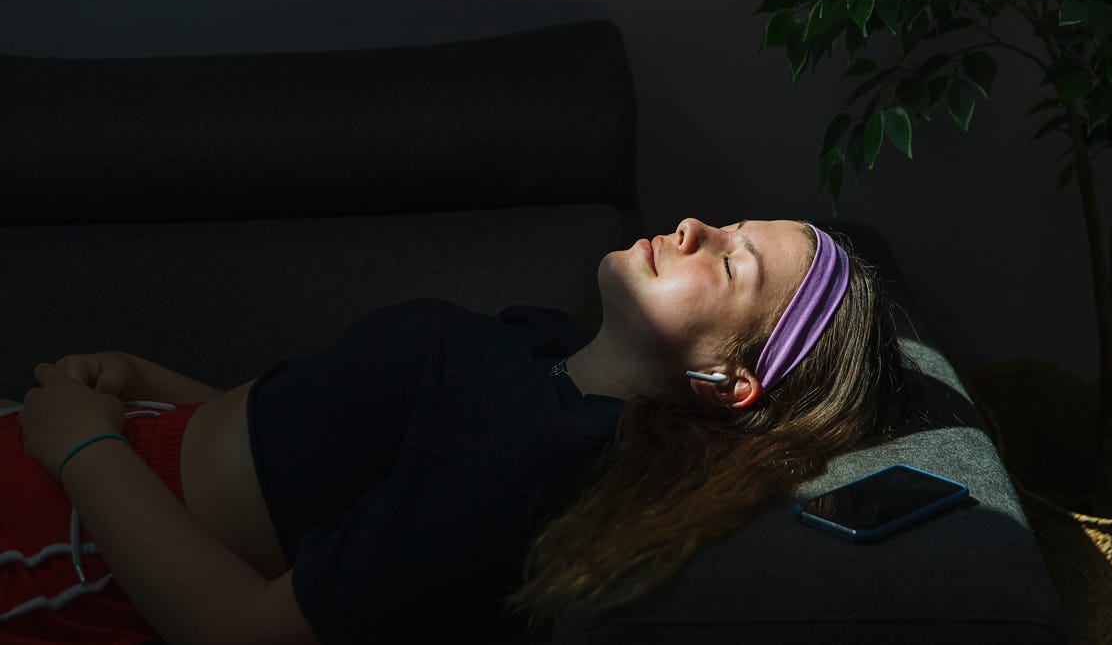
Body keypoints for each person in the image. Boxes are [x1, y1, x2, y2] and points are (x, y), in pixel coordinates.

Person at [1, 217, 925, 644]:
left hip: (77, 546)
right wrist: (143, 386)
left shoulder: (517, 462)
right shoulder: (547, 353)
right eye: (722, 222)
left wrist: (84, 447)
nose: (690, 224)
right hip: (117, 447)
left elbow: (243, 627)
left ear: (729, 384)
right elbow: (309, 451)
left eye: (729, 260)